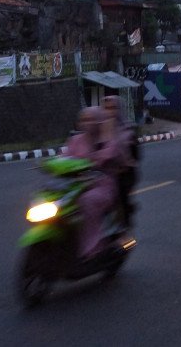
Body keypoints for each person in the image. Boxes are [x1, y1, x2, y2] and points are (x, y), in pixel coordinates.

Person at [64, 106, 129, 261]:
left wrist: (90, 160)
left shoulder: (107, 140)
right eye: (84, 119)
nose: (87, 123)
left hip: (102, 185)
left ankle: (93, 248)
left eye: (91, 119)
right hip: (76, 185)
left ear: (100, 121)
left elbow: (108, 155)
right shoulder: (75, 140)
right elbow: (64, 156)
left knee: (87, 201)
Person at [101, 95, 139, 226]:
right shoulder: (99, 129)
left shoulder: (128, 131)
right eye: (106, 108)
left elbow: (136, 157)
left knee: (120, 197)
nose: (109, 112)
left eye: (113, 108)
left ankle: (124, 230)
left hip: (124, 174)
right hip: (102, 174)